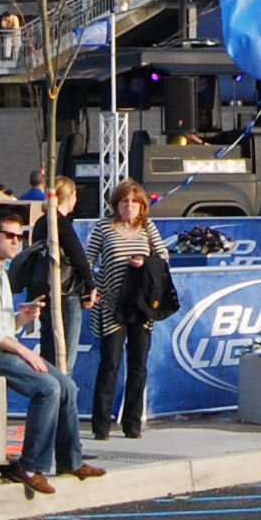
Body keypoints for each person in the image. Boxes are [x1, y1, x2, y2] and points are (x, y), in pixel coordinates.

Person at [0, 209, 86, 491]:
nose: (17, 242)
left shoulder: (1, 271)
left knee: (66, 385)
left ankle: (70, 461)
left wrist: (21, 319)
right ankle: (30, 466)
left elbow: (2, 327)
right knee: (47, 388)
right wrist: (27, 352)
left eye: (20, 236)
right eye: (10, 236)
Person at [88, 184, 176, 440]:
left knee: (138, 365)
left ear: (141, 206)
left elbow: (163, 257)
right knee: (110, 363)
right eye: (124, 201)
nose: (129, 206)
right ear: (116, 204)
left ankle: (132, 424)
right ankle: (101, 425)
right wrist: (93, 287)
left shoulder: (148, 228)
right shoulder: (104, 228)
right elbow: (88, 259)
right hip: (113, 305)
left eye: (134, 202)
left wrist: (145, 262)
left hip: (141, 305)